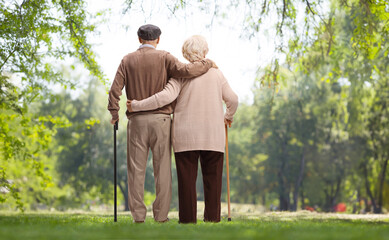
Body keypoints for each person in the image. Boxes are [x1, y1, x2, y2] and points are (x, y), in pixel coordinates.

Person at [107, 25, 216, 223]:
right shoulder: (165, 57)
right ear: (158, 39)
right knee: (162, 170)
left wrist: (114, 113)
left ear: (139, 39)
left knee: (136, 170)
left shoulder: (127, 60)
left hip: (137, 122)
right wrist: (207, 63)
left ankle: (138, 217)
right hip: (162, 121)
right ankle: (161, 216)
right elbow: (187, 70)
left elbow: (115, 90)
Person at [127, 35, 239, 223]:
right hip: (213, 136)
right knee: (213, 181)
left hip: (185, 137)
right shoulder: (216, 74)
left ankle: (187, 220)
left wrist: (136, 105)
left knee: (186, 183)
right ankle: (212, 218)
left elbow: (163, 98)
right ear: (205, 52)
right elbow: (233, 99)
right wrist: (228, 116)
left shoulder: (180, 76)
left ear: (185, 54)